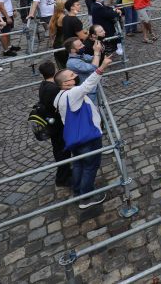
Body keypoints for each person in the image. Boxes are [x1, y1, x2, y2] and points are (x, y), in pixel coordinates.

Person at [54, 54, 113, 208]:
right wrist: (102, 67)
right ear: (66, 83)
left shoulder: (59, 97)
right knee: (90, 166)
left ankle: (78, 191)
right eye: (72, 75)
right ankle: (86, 197)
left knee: (79, 164)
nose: (75, 75)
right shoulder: (72, 94)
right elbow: (88, 85)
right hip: (88, 138)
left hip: (74, 139)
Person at [38, 61, 71, 188]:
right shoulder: (54, 89)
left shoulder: (44, 85)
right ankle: (62, 178)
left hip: (53, 126)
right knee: (62, 152)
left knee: (59, 150)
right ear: (55, 70)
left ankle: (65, 174)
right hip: (58, 127)